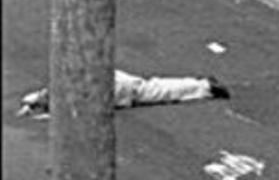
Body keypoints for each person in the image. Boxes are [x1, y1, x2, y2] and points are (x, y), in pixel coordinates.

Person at [17, 69, 231, 116]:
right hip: (110, 80)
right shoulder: (58, 89)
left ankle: (205, 87)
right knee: (153, 89)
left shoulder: (61, 97)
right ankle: (202, 86)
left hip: (112, 88)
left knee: (154, 93)